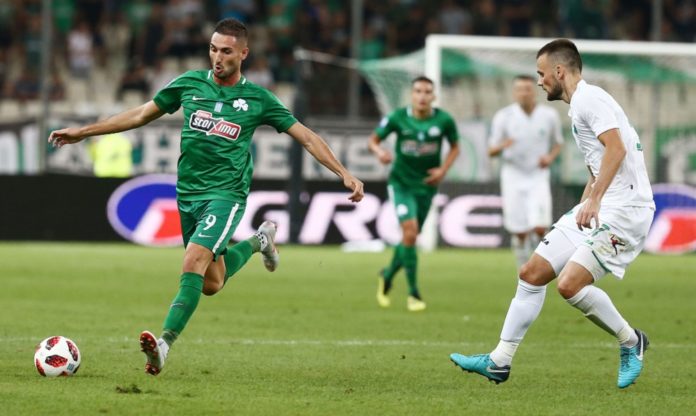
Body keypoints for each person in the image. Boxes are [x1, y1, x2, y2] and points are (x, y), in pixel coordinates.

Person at [48, 18, 364, 376]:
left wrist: (344, 172)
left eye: (226, 51)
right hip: (187, 194)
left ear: (243, 54)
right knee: (212, 283)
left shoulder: (258, 99)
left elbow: (306, 136)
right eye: (213, 49)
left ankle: (163, 345)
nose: (218, 57)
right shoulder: (190, 84)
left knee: (193, 260)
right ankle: (260, 241)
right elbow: (140, 114)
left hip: (226, 195)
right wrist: (84, 132)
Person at [450, 39, 655, 389]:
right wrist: (585, 202)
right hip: (603, 204)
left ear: (559, 71)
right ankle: (499, 361)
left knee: (569, 285)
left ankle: (631, 341)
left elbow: (617, 149)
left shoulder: (590, 99)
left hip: (627, 210)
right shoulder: (579, 107)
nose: (540, 81)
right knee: (531, 273)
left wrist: (595, 200)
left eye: (541, 73)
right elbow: (598, 162)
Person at [368, 76, 460, 312]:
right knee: (410, 233)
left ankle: (387, 276)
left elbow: (455, 147)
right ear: (411, 95)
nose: (422, 96)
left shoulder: (444, 120)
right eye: (418, 91)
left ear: (434, 96)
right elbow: (374, 140)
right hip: (401, 184)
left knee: (409, 238)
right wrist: (379, 152)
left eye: (427, 92)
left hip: (427, 186)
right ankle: (413, 293)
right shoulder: (398, 117)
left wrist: (443, 170)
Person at [488, 75, 563, 270]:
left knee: (540, 227)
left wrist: (550, 158)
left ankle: (538, 268)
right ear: (514, 93)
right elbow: (491, 151)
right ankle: (523, 268)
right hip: (512, 176)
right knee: (520, 231)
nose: (523, 93)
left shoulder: (549, 115)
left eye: (527, 89)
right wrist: (503, 145)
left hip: (538, 176)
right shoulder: (504, 116)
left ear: (534, 91)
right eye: (519, 89)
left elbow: (558, 143)